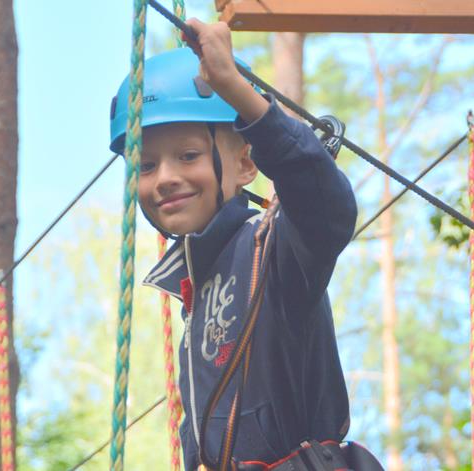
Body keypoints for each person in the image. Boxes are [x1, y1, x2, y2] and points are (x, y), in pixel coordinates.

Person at [110, 19, 381, 471]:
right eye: (147, 166)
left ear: (245, 164)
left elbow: (326, 207)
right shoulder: (196, 290)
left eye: (188, 156)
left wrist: (235, 90)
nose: (166, 178)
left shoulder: (274, 248)